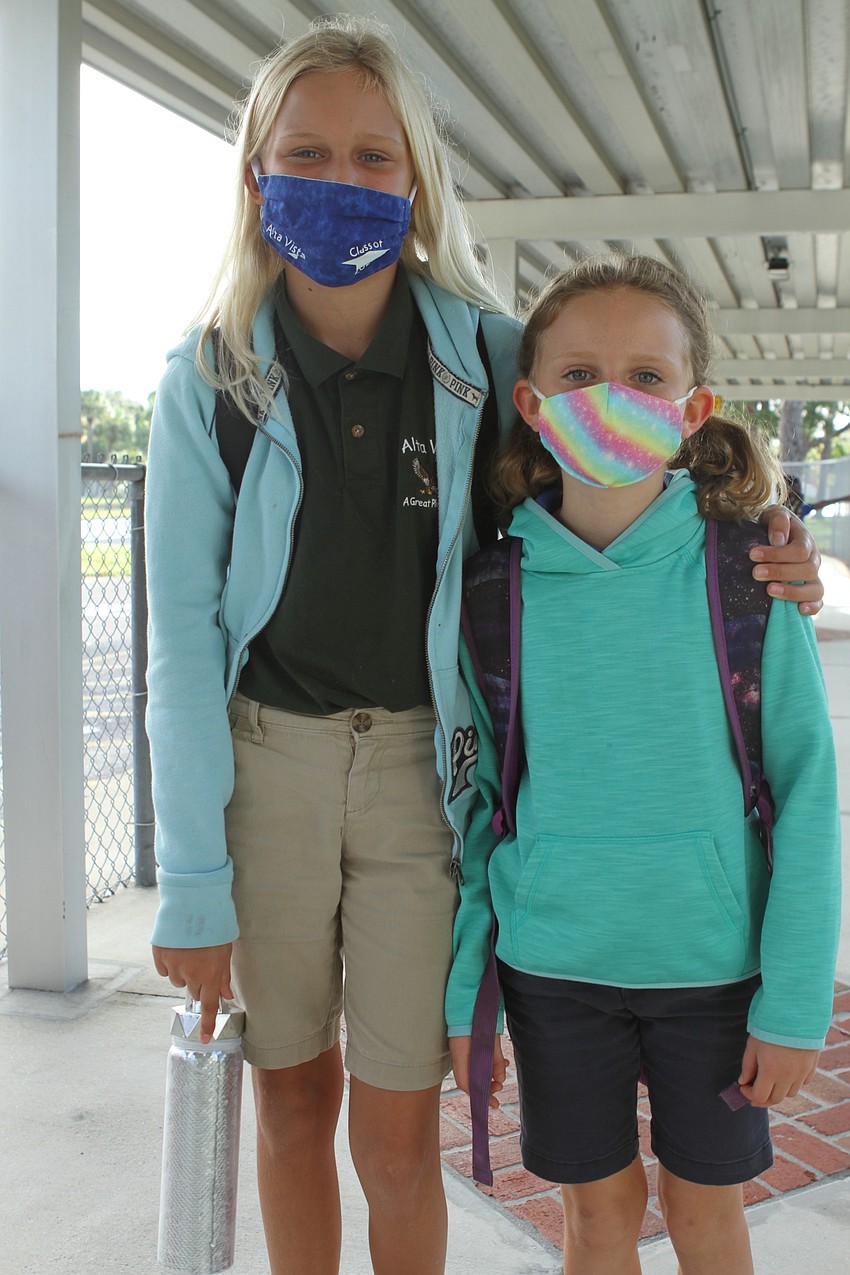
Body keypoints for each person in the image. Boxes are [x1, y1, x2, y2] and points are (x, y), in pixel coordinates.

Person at [144, 15, 826, 1275]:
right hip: (268, 769)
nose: (339, 183)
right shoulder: (210, 381)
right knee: (293, 1100)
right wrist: (191, 878)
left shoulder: (486, 354)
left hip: (422, 772)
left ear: (416, 186)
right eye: (306, 153)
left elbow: (619, 437)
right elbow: (180, 644)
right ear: (255, 173)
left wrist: (764, 528)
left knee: (398, 1133)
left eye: (372, 158)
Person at [446, 254, 841, 1275]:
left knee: (707, 1216)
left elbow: (806, 795)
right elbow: (483, 807)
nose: (609, 397)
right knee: (595, 1216)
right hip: (553, 971)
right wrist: (466, 996)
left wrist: (794, 1003)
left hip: (714, 971)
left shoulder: (750, 578)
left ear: (694, 406)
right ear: (530, 403)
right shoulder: (495, 592)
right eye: (578, 375)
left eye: (645, 376)